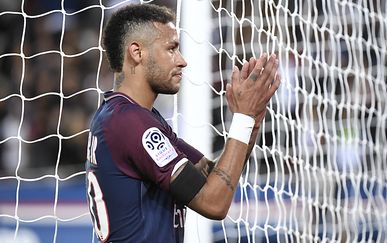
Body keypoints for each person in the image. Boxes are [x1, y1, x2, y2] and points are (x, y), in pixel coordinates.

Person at [85, 3, 280, 243]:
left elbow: (212, 177)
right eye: (171, 49)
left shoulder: (132, 117)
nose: (182, 61)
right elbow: (214, 203)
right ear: (137, 52)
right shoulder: (129, 123)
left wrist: (251, 120)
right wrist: (242, 118)